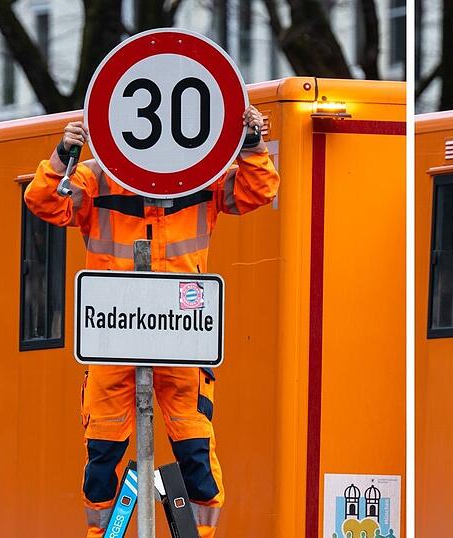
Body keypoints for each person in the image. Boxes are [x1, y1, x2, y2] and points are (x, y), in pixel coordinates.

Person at [24, 105, 280, 538]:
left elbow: (259, 190)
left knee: (195, 449)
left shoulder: (203, 175)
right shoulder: (94, 176)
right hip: (118, 341)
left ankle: (199, 535)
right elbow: (43, 201)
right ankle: (104, 535)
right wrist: (61, 153)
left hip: (179, 337)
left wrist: (251, 144)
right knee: (103, 452)